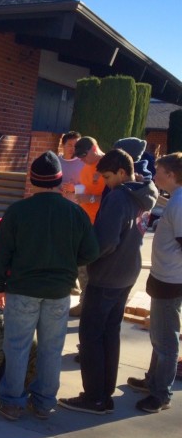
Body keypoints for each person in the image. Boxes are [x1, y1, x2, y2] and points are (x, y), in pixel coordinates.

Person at [0, 151, 99, 421]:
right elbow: (92, 251)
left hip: (23, 289)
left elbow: (1, 253)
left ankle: (12, 401)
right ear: (59, 180)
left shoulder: (17, 211)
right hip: (59, 292)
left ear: (33, 180)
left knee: (16, 346)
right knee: (52, 348)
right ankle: (44, 403)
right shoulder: (74, 212)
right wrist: (69, 262)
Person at [59, 149, 158, 415]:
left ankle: (95, 398)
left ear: (122, 173)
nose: (105, 181)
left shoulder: (118, 198)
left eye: (107, 176)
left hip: (107, 275)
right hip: (127, 272)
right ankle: (104, 393)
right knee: (109, 334)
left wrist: (79, 257)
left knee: (91, 336)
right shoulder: (144, 193)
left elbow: (105, 242)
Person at [127, 152, 182, 413]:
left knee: (166, 340)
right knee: (158, 335)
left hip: (172, 281)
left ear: (171, 175)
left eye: (158, 171)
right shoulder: (175, 199)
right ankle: (153, 381)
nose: (154, 175)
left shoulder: (180, 203)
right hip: (164, 277)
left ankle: (160, 394)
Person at [69, 136, 107, 316]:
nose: (81, 160)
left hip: (102, 224)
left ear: (94, 149)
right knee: (82, 265)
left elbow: (113, 197)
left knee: (98, 267)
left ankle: (91, 304)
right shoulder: (86, 168)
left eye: (83, 155)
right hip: (86, 222)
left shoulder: (109, 166)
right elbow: (86, 191)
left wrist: (89, 198)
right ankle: (85, 301)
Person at [58, 131, 83, 202]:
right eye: (70, 145)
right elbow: (48, 184)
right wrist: (57, 189)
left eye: (76, 146)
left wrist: (75, 189)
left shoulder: (84, 163)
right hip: (57, 204)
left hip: (75, 207)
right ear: (63, 145)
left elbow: (90, 188)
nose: (73, 148)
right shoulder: (55, 162)